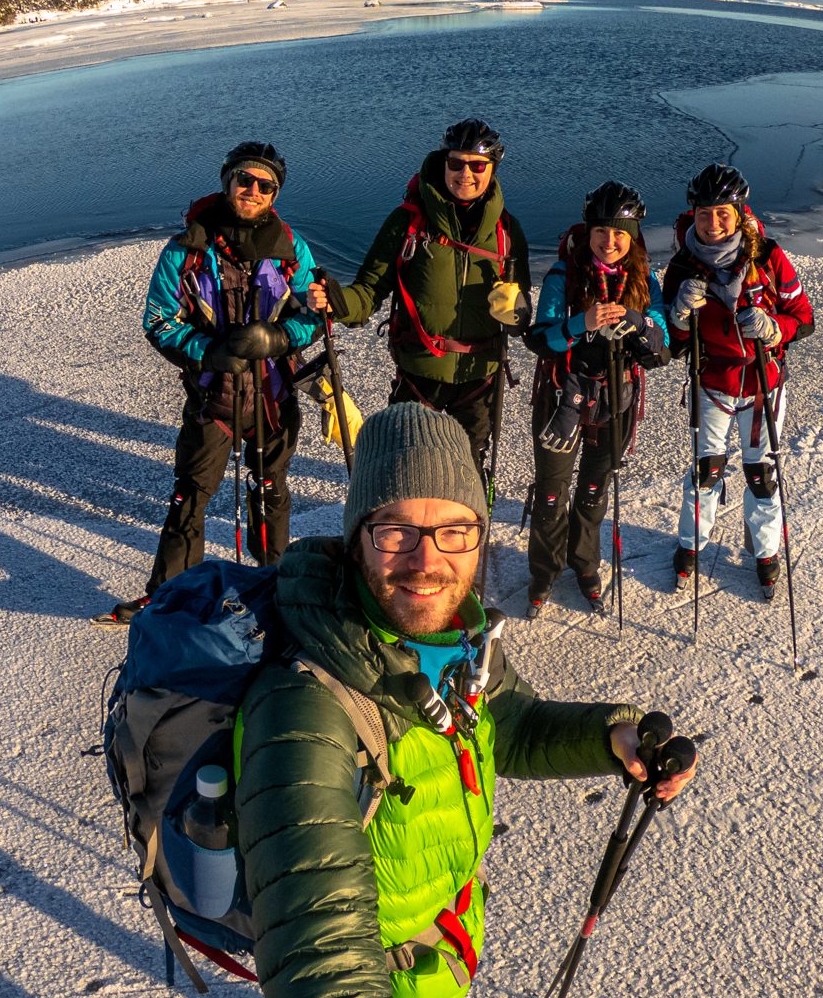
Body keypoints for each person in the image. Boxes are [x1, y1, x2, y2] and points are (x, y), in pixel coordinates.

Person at [234, 402, 695, 998]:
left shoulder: (451, 642)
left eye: (455, 531)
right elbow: (329, 996)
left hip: (427, 951)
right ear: (356, 538)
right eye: (396, 531)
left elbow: (501, 720)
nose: (426, 560)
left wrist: (609, 737)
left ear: (482, 538)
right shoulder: (302, 716)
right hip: (368, 989)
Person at [96, 142, 329, 626]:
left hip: (272, 397)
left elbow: (312, 315)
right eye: (245, 180)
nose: (253, 190)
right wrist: (211, 352)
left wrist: (280, 336)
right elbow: (159, 321)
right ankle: (166, 595)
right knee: (191, 494)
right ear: (227, 182)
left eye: (265, 185)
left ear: (275, 194)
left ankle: (276, 587)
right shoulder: (187, 250)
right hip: (212, 398)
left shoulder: (292, 250)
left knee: (270, 491)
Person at [319, 119, 532, 484]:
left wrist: (517, 314)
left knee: (468, 474)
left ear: (492, 168)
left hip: (479, 377)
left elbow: (522, 310)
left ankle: (466, 540)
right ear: (442, 162)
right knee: (408, 472)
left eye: (477, 165)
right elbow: (368, 291)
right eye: (456, 163)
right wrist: (337, 302)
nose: (465, 173)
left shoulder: (507, 230)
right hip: (419, 374)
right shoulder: (408, 222)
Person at [661, 164, 815, 601]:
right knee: (705, 470)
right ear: (693, 214)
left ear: (739, 212)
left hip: (763, 381)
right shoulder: (682, 265)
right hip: (712, 379)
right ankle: (690, 546)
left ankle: (766, 554)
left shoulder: (767, 257)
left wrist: (773, 328)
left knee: (760, 473)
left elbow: (803, 318)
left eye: (723, 213)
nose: (713, 223)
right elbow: (672, 340)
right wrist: (679, 315)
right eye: (705, 213)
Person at [522, 182, 671, 619]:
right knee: (552, 492)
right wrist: (579, 323)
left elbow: (661, 350)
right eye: (601, 233)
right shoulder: (562, 275)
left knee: (592, 490)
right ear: (587, 233)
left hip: (617, 402)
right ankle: (544, 571)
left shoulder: (645, 281)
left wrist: (640, 325)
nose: (610, 242)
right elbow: (539, 338)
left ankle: (585, 565)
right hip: (561, 398)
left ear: (633, 236)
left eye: (620, 234)